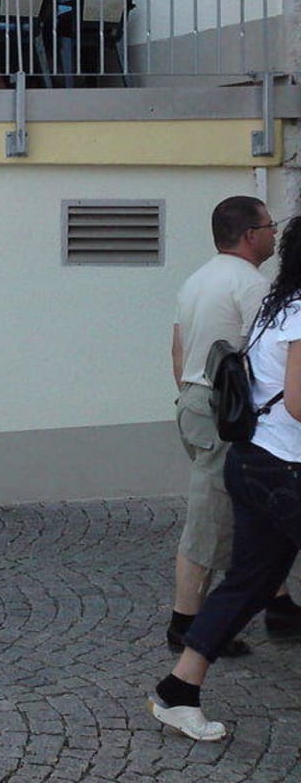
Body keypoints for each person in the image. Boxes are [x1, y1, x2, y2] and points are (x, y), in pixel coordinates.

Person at [151, 213, 301, 742]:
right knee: (240, 571)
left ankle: (178, 691)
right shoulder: (290, 307)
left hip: (246, 453)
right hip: (281, 467)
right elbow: (298, 401)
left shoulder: (275, 303)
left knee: (248, 580)